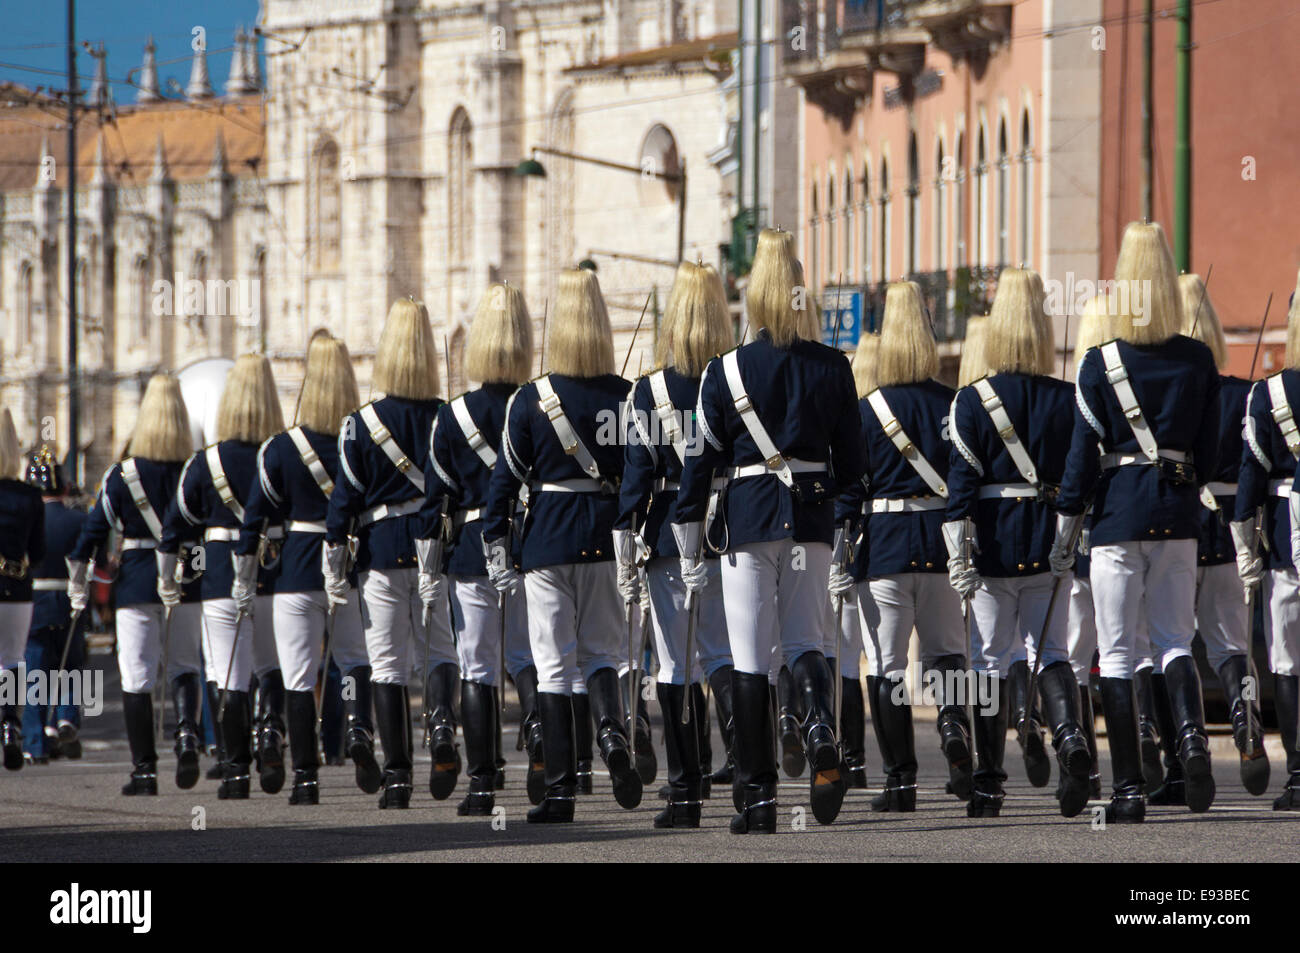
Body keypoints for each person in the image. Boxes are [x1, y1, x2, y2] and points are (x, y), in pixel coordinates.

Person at [676, 229, 867, 833]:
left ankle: (757, 801)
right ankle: (817, 728)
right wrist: (847, 529)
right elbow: (854, 467)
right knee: (807, 642)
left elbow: (699, 464)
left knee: (751, 660)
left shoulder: (725, 371)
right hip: (810, 523)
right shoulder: (834, 367)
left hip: (749, 522)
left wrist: (686, 534)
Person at [1053, 221, 1220, 823]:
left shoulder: (1100, 363)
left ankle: (1127, 790)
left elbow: (1080, 459)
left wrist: (1066, 523)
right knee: (1176, 641)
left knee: (1119, 653)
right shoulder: (1198, 359)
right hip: (1177, 515)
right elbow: (1205, 451)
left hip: (1118, 518)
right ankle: (1194, 743)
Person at [482, 268, 640, 823]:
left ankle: (562, 790)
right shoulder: (626, 396)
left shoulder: (528, 400)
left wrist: (495, 542)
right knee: (603, 653)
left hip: (546, 538)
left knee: (553, 666)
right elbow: (638, 474)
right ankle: (612, 735)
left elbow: (504, 483)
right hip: (604, 533)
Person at [946, 268, 1088, 818]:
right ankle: (1071, 739)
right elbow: (1077, 478)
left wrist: (958, 556)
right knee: (1049, 653)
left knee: (987, 661)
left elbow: (960, 491)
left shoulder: (971, 400)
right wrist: (1068, 537)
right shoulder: (1067, 397)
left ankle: (988, 782)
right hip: (1047, 539)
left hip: (992, 549)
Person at [834, 283, 970, 815]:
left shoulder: (867, 411)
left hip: (886, 549)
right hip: (939, 543)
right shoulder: (954, 404)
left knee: (888, 666)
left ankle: (900, 782)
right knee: (945, 654)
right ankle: (955, 729)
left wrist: (842, 550)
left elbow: (850, 490)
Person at [615, 261, 735, 828]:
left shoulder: (650, 390)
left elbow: (637, 475)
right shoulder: (734, 378)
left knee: (675, 663)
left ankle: (686, 786)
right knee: (727, 656)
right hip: (729, 528)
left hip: (668, 531)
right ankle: (745, 769)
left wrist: (626, 534)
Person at [237, 332, 377, 804]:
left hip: (297, 568)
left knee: (299, 676)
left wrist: (244, 576)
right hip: (354, 565)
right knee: (356, 661)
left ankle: (307, 779)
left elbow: (257, 517)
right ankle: (358, 729)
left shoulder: (279, 449)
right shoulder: (363, 440)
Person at [325, 298, 453, 809]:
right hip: (434, 548)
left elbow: (343, 502)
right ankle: (443, 727)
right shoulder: (445, 415)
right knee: (439, 650)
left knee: (386, 664)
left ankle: (398, 777)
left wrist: (335, 559)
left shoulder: (359, 424)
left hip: (379, 551)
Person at [421, 283, 538, 816]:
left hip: (471, 545)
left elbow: (437, 498)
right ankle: (541, 749)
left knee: (477, 666)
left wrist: (429, 563)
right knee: (529, 656)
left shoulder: (452, 416)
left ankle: (484, 782)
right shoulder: (538, 403)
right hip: (527, 540)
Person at [68, 376, 204, 794]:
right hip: (187, 578)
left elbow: (90, 536)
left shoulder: (120, 475)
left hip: (135, 582)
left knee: (136, 676)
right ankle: (186, 735)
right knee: (185, 667)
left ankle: (144, 770)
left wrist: (79, 584)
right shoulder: (193, 470)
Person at [159, 355, 286, 800]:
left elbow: (177, 525)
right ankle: (271, 734)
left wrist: (171, 578)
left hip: (218, 576)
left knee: (228, 672)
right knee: (271, 664)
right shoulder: (281, 451)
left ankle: (234, 770)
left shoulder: (206, 461)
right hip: (272, 567)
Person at [1178, 273, 1270, 797]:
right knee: (1231, 646)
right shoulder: (1246, 394)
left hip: (1179, 530)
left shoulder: (1169, 394)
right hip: (1233, 536)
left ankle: (1186, 747)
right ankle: (1244, 717)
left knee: (1170, 644)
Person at [1241, 267, 1300, 811]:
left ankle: (1298, 773)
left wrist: (1244, 546)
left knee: (1286, 658)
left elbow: (1250, 483)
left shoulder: (1270, 393)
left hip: (1284, 541)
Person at [1063, 296, 1112, 801]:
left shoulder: (1084, 388)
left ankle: (1088, 766)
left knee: (1077, 657)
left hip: (1085, 541)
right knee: (1134, 650)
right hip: (1124, 530)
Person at [21, 447, 87, 762]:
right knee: (70, 665)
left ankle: (35, 742)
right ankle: (66, 716)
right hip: (69, 595)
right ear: (61, 485)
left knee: (36, 672)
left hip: (34, 598)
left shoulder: (27, 518)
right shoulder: (77, 519)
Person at [0, 409, 44, 771]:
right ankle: (10, 725)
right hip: (17, 585)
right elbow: (39, 552)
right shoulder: (29, 496)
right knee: (12, 658)